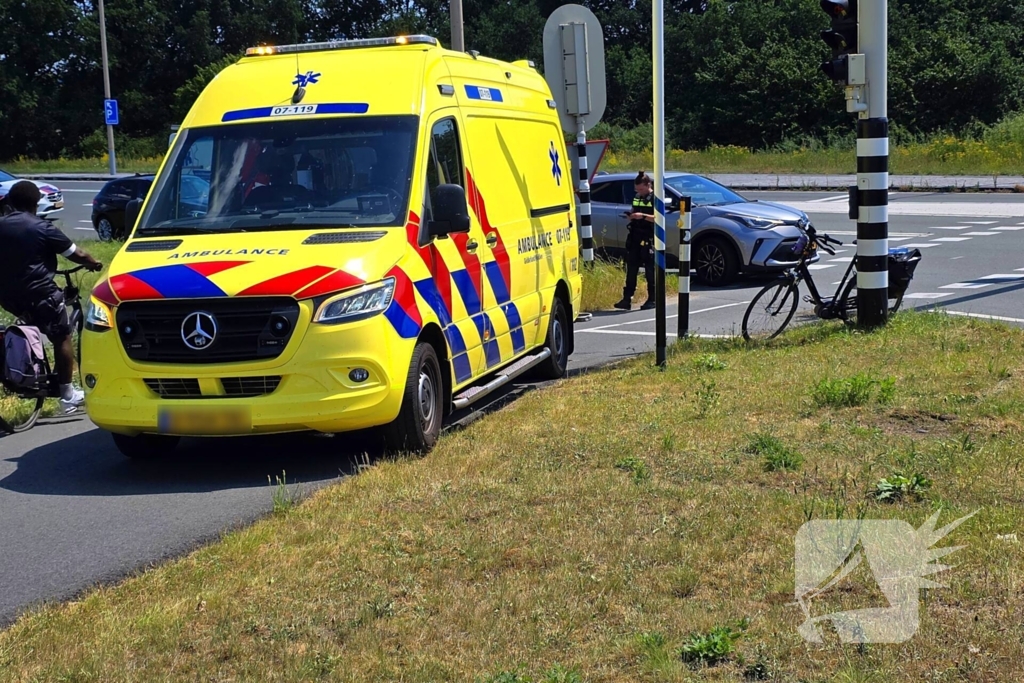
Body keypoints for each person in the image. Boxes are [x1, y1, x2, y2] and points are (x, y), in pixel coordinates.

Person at [0, 181, 103, 412]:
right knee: (62, 336)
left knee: (30, 327)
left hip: (8, 297)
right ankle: (67, 395)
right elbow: (77, 254)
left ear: (11, 201)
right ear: (36, 203)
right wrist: (94, 263)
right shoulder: (42, 227)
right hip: (40, 294)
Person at [614, 171, 657, 311]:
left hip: (648, 237)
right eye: (637, 189)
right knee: (631, 269)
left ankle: (653, 299)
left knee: (650, 270)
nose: (638, 192)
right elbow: (634, 210)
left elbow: (658, 218)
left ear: (648, 185)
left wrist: (642, 216)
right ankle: (627, 299)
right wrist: (631, 216)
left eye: (641, 189)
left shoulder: (656, 198)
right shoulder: (637, 197)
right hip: (635, 236)